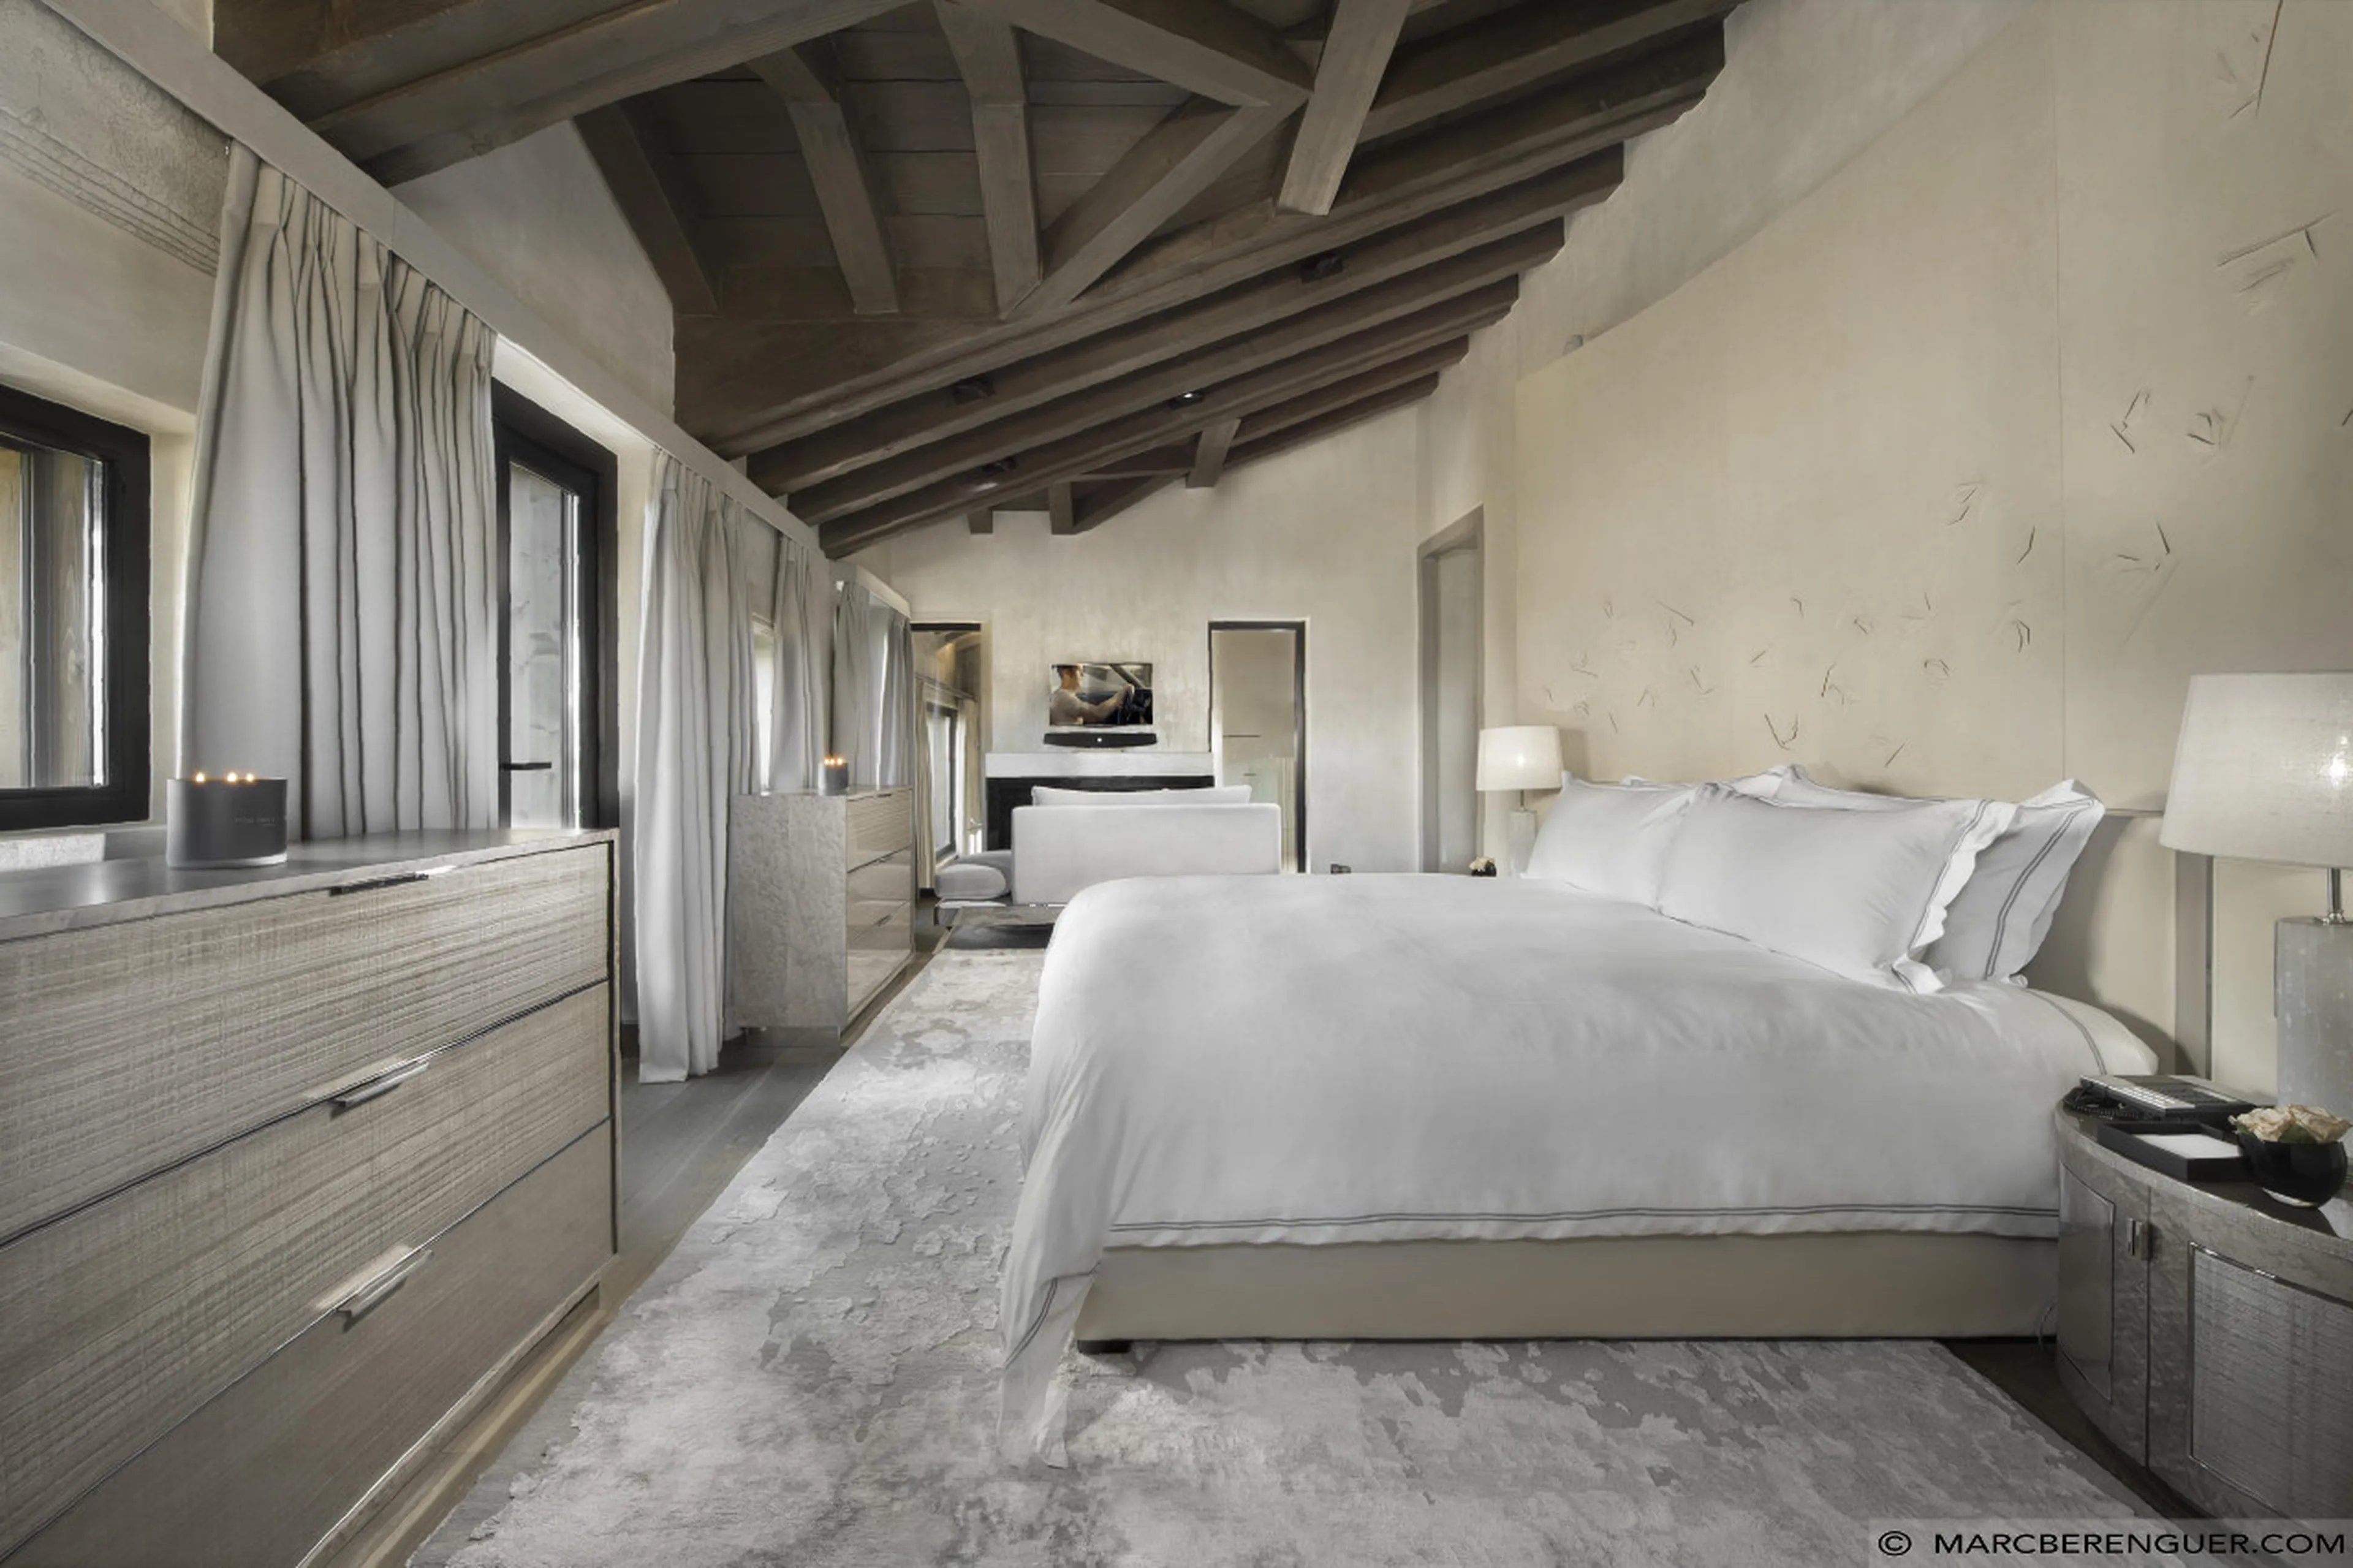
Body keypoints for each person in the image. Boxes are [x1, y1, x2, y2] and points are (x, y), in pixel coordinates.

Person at [1050, 664, 1124, 726]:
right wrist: (1120, 695)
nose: (1083, 675)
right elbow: (1099, 714)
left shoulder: (1059, 696)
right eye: (1080, 671)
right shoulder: (1064, 698)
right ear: (1067, 673)